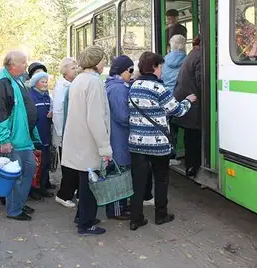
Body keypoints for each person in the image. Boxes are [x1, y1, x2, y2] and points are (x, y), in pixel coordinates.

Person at [128, 51, 196, 231]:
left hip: (137, 143)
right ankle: (161, 214)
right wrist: (188, 101)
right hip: (158, 145)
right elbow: (178, 111)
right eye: (160, 67)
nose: (161, 71)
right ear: (154, 68)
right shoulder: (160, 89)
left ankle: (136, 219)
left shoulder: (133, 86)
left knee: (138, 182)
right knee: (161, 179)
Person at [62, 45, 112, 235]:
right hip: (90, 141)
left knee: (84, 181)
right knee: (91, 184)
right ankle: (86, 223)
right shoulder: (95, 82)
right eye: (103, 60)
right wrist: (105, 147)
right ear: (97, 62)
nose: (104, 64)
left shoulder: (78, 80)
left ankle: (81, 216)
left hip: (78, 138)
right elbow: (96, 118)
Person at [0, 50, 39, 221]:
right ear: (12, 65)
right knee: (18, 175)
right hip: (13, 141)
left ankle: (19, 203)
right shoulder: (3, 83)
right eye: (23, 62)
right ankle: (14, 209)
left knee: (28, 170)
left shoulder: (17, 81)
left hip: (23, 139)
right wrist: (4, 140)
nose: (26, 65)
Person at [105, 55, 134, 221]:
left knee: (119, 172)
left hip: (116, 136)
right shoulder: (118, 89)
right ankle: (116, 209)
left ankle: (120, 206)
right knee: (118, 174)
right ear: (123, 71)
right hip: (119, 138)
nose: (131, 74)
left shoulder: (114, 85)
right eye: (130, 70)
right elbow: (123, 116)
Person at [172, 35, 202, 177]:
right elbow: (201, 82)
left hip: (185, 100)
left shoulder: (192, 54)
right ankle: (193, 167)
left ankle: (190, 165)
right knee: (194, 137)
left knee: (190, 136)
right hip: (193, 102)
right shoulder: (200, 56)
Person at [53, 57, 79, 208]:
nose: (76, 71)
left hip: (72, 131)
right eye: (73, 68)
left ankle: (72, 190)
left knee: (75, 164)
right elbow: (58, 112)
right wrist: (61, 134)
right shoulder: (62, 87)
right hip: (65, 133)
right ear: (65, 70)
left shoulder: (71, 84)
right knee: (69, 166)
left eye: (76, 68)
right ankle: (64, 194)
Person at [161, 34, 187, 166]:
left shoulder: (165, 60)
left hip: (166, 97)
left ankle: (170, 155)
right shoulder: (186, 59)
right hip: (180, 96)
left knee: (169, 128)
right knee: (181, 126)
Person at [29, 72, 54, 198]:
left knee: (45, 162)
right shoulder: (32, 96)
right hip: (36, 135)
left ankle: (42, 187)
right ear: (35, 83)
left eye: (46, 81)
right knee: (36, 164)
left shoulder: (46, 97)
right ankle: (34, 189)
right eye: (42, 82)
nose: (45, 84)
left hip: (45, 134)